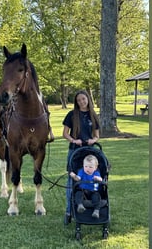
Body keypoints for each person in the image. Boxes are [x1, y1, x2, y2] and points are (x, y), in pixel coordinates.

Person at [62, 90, 100, 225]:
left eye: (83, 99)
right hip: (75, 152)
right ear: (76, 102)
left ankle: (91, 206)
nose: (81, 102)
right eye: (79, 100)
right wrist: (73, 140)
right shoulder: (72, 115)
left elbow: (97, 135)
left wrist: (93, 140)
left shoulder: (93, 116)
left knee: (89, 178)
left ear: (88, 99)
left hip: (89, 152)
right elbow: (65, 133)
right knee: (72, 180)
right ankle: (69, 211)